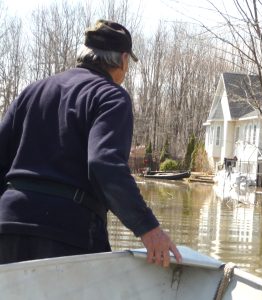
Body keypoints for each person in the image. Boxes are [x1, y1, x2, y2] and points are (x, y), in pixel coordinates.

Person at [0, 20, 182, 267]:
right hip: (67, 234)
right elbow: (103, 162)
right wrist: (148, 228)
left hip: (8, 224)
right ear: (123, 59)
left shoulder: (32, 91)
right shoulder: (111, 96)